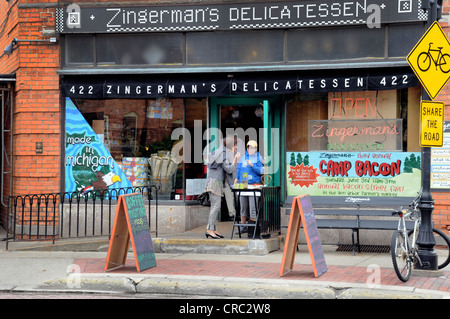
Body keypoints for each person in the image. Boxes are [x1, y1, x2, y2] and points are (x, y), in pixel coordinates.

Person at [203, 139, 240, 239]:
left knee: (215, 207)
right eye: (235, 145)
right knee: (215, 207)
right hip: (215, 183)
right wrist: (235, 159)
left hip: (214, 183)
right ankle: (209, 230)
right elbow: (229, 169)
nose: (236, 148)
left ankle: (213, 229)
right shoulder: (222, 154)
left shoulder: (221, 152)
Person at [234, 140, 264, 233]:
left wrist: (252, 165)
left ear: (256, 148)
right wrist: (236, 180)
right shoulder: (243, 157)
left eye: (252, 147)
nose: (250, 149)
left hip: (254, 185)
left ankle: (252, 227)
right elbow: (239, 169)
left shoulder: (259, 157)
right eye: (248, 147)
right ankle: (243, 226)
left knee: (253, 206)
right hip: (243, 184)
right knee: (243, 206)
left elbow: (261, 171)